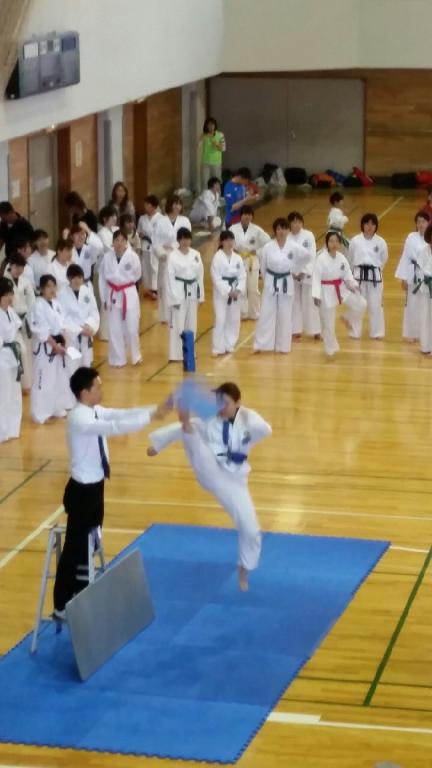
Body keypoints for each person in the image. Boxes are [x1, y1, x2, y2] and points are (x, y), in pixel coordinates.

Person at [52, 366, 167, 619]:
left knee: (91, 542)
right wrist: (150, 418)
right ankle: (61, 603)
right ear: (85, 392)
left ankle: (81, 591)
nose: (101, 390)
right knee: (74, 548)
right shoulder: (79, 418)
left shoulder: (94, 410)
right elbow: (113, 427)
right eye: (97, 387)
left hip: (96, 487)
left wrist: (153, 410)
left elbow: (119, 414)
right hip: (82, 490)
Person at [147, 382, 272, 591]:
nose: (221, 407)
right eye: (218, 402)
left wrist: (244, 413)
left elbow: (265, 429)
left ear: (238, 403)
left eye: (226, 403)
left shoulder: (249, 421)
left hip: (235, 482)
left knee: (251, 530)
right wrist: (157, 446)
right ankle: (184, 420)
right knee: (191, 430)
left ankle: (244, 568)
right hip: (211, 471)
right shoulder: (209, 421)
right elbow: (181, 429)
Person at [253, 218, 309, 354]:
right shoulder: (267, 247)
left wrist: (296, 269)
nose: (281, 231)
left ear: (288, 230)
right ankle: (262, 345)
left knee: (285, 313)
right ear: (275, 231)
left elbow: (307, 256)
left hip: (286, 280)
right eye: (278, 229)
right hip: (271, 280)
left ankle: (283, 346)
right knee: (266, 313)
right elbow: (263, 267)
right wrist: (267, 280)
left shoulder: (294, 246)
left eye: (284, 228)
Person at [312, 232, 366, 357]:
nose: (334, 244)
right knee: (328, 324)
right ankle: (330, 349)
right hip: (325, 290)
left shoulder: (341, 258)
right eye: (331, 241)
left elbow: (347, 275)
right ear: (327, 243)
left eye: (337, 241)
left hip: (341, 288)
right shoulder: (321, 259)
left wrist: (353, 285)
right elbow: (316, 278)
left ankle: (347, 318)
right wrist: (316, 294)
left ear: (340, 244)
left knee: (361, 303)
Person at [29, 274, 74, 424]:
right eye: (48, 286)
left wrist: (64, 344)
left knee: (57, 379)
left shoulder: (56, 304)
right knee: (43, 381)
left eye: (54, 286)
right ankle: (40, 414)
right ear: (41, 289)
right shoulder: (37, 306)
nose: (52, 289)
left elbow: (63, 325)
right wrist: (54, 345)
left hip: (58, 346)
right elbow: (42, 330)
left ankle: (56, 408)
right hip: (45, 348)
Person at [99, 229, 142, 367]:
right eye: (116, 240)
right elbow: (102, 278)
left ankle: (136, 356)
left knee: (132, 327)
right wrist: (104, 298)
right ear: (112, 242)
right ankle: (118, 359)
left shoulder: (133, 257)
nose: (119, 243)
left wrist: (125, 283)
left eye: (122, 240)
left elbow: (138, 274)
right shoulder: (107, 257)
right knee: (114, 328)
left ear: (126, 242)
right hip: (112, 293)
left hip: (128, 292)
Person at [346, 213, 388, 339]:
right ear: (362, 225)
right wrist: (351, 276)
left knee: (375, 305)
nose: (369, 226)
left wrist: (376, 270)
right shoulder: (355, 241)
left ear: (376, 226)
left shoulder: (381, 242)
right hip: (358, 275)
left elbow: (384, 259)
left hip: (374, 276)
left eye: (372, 224)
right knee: (357, 304)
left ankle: (377, 332)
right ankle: (354, 332)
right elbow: (350, 258)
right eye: (367, 223)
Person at [166, 228, 204, 362]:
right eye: (182, 239)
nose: (185, 241)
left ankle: (189, 352)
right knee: (178, 324)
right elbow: (169, 278)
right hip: (178, 292)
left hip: (192, 291)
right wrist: (173, 298)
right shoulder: (172, 256)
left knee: (192, 324)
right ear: (178, 240)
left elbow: (200, 275)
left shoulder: (196, 254)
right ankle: (176, 354)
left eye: (187, 238)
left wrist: (201, 296)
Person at [153, 195, 191, 323]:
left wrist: (184, 253)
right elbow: (155, 242)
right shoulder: (160, 221)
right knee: (165, 285)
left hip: (180, 255)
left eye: (179, 204)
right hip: (166, 256)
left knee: (180, 284)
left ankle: (181, 311)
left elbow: (188, 240)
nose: (177, 206)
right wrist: (161, 253)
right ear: (169, 205)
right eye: (175, 203)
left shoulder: (185, 221)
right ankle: (165, 315)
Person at [229, 205, 270, 320]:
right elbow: (226, 242)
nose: (247, 217)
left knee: (253, 289)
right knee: (240, 288)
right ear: (240, 215)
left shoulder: (257, 230)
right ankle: (242, 312)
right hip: (238, 261)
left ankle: (255, 312)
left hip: (252, 261)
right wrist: (233, 250)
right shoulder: (233, 229)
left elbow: (268, 243)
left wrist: (257, 251)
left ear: (252, 216)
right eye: (245, 214)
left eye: (250, 215)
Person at [395, 211, 430, 342]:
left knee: (426, 306)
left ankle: (425, 334)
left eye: (423, 222)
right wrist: (403, 277)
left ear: (428, 223)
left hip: (427, 275)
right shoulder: (411, 237)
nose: (421, 225)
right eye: (418, 222)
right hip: (413, 274)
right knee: (411, 304)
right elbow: (406, 257)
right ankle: (411, 333)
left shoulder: (430, 238)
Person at [211, 231, 246, 356]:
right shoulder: (217, 257)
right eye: (226, 240)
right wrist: (228, 290)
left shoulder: (238, 258)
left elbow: (242, 276)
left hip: (235, 291)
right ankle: (218, 347)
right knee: (220, 318)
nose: (229, 242)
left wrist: (238, 290)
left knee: (234, 319)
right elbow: (216, 277)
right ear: (221, 242)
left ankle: (230, 344)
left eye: (231, 240)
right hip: (221, 293)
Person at [58, 264, 100, 369]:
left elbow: (94, 312)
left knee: (86, 366)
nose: (77, 280)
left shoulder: (87, 291)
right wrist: (79, 330)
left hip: (86, 335)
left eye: (80, 277)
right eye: (74, 278)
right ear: (68, 278)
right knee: (72, 367)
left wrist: (90, 325)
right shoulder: (61, 294)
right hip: (71, 337)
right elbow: (62, 319)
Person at [287, 211, 320, 339]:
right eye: (293, 222)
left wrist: (304, 271)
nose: (296, 224)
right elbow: (287, 258)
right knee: (294, 302)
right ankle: (296, 329)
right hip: (292, 274)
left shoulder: (308, 235)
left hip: (307, 273)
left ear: (302, 223)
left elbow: (312, 254)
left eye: (299, 222)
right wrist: (293, 272)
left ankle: (316, 330)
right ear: (289, 224)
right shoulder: (287, 237)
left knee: (310, 302)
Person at [8, 253, 35, 391]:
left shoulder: (25, 281)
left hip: (25, 319)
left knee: (28, 351)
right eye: (17, 266)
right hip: (10, 321)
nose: (19, 270)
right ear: (10, 265)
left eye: (22, 267)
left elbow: (32, 301)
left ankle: (27, 384)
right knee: (20, 352)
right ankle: (16, 384)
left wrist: (30, 317)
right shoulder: (4, 281)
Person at [0, 276, 23, 442]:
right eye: (6, 294)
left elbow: (18, 323)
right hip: (2, 358)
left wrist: (13, 327)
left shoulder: (9, 311)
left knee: (14, 395)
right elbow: (8, 335)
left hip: (13, 357)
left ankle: (12, 428)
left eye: (11, 294)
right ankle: (2, 431)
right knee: (3, 395)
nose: (10, 297)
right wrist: (13, 327)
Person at [96, 206, 118, 341]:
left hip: (116, 270)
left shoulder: (116, 230)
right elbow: (109, 249)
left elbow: (126, 246)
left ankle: (114, 330)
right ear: (105, 219)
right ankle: (104, 332)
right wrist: (120, 248)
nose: (115, 218)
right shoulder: (101, 234)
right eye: (112, 216)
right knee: (105, 300)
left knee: (115, 301)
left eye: (115, 215)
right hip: (104, 270)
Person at [137, 195, 163, 299]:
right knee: (146, 267)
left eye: (148, 204)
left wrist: (151, 237)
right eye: (145, 204)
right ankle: (148, 289)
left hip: (156, 247)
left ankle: (156, 289)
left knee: (156, 268)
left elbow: (162, 234)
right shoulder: (142, 218)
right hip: (145, 246)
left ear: (154, 206)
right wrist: (143, 237)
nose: (145, 206)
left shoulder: (161, 218)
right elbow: (139, 232)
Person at [415, 223, 432, 355]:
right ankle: (426, 346)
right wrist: (424, 279)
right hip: (426, 288)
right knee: (425, 316)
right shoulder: (423, 251)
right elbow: (419, 270)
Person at [200, 117, 226, 187]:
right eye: (208, 125)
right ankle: (206, 194)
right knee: (205, 182)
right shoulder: (204, 136)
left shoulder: (220, 135)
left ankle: (217, 194)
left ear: (215, 125)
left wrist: (216, 145)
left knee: (217, 182)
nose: (210, 127)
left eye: (212, 124)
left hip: (216, 163)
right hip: (206, 162)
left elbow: (223, 149)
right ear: (206, 126)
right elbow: (198, 146)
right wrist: (201, 138)